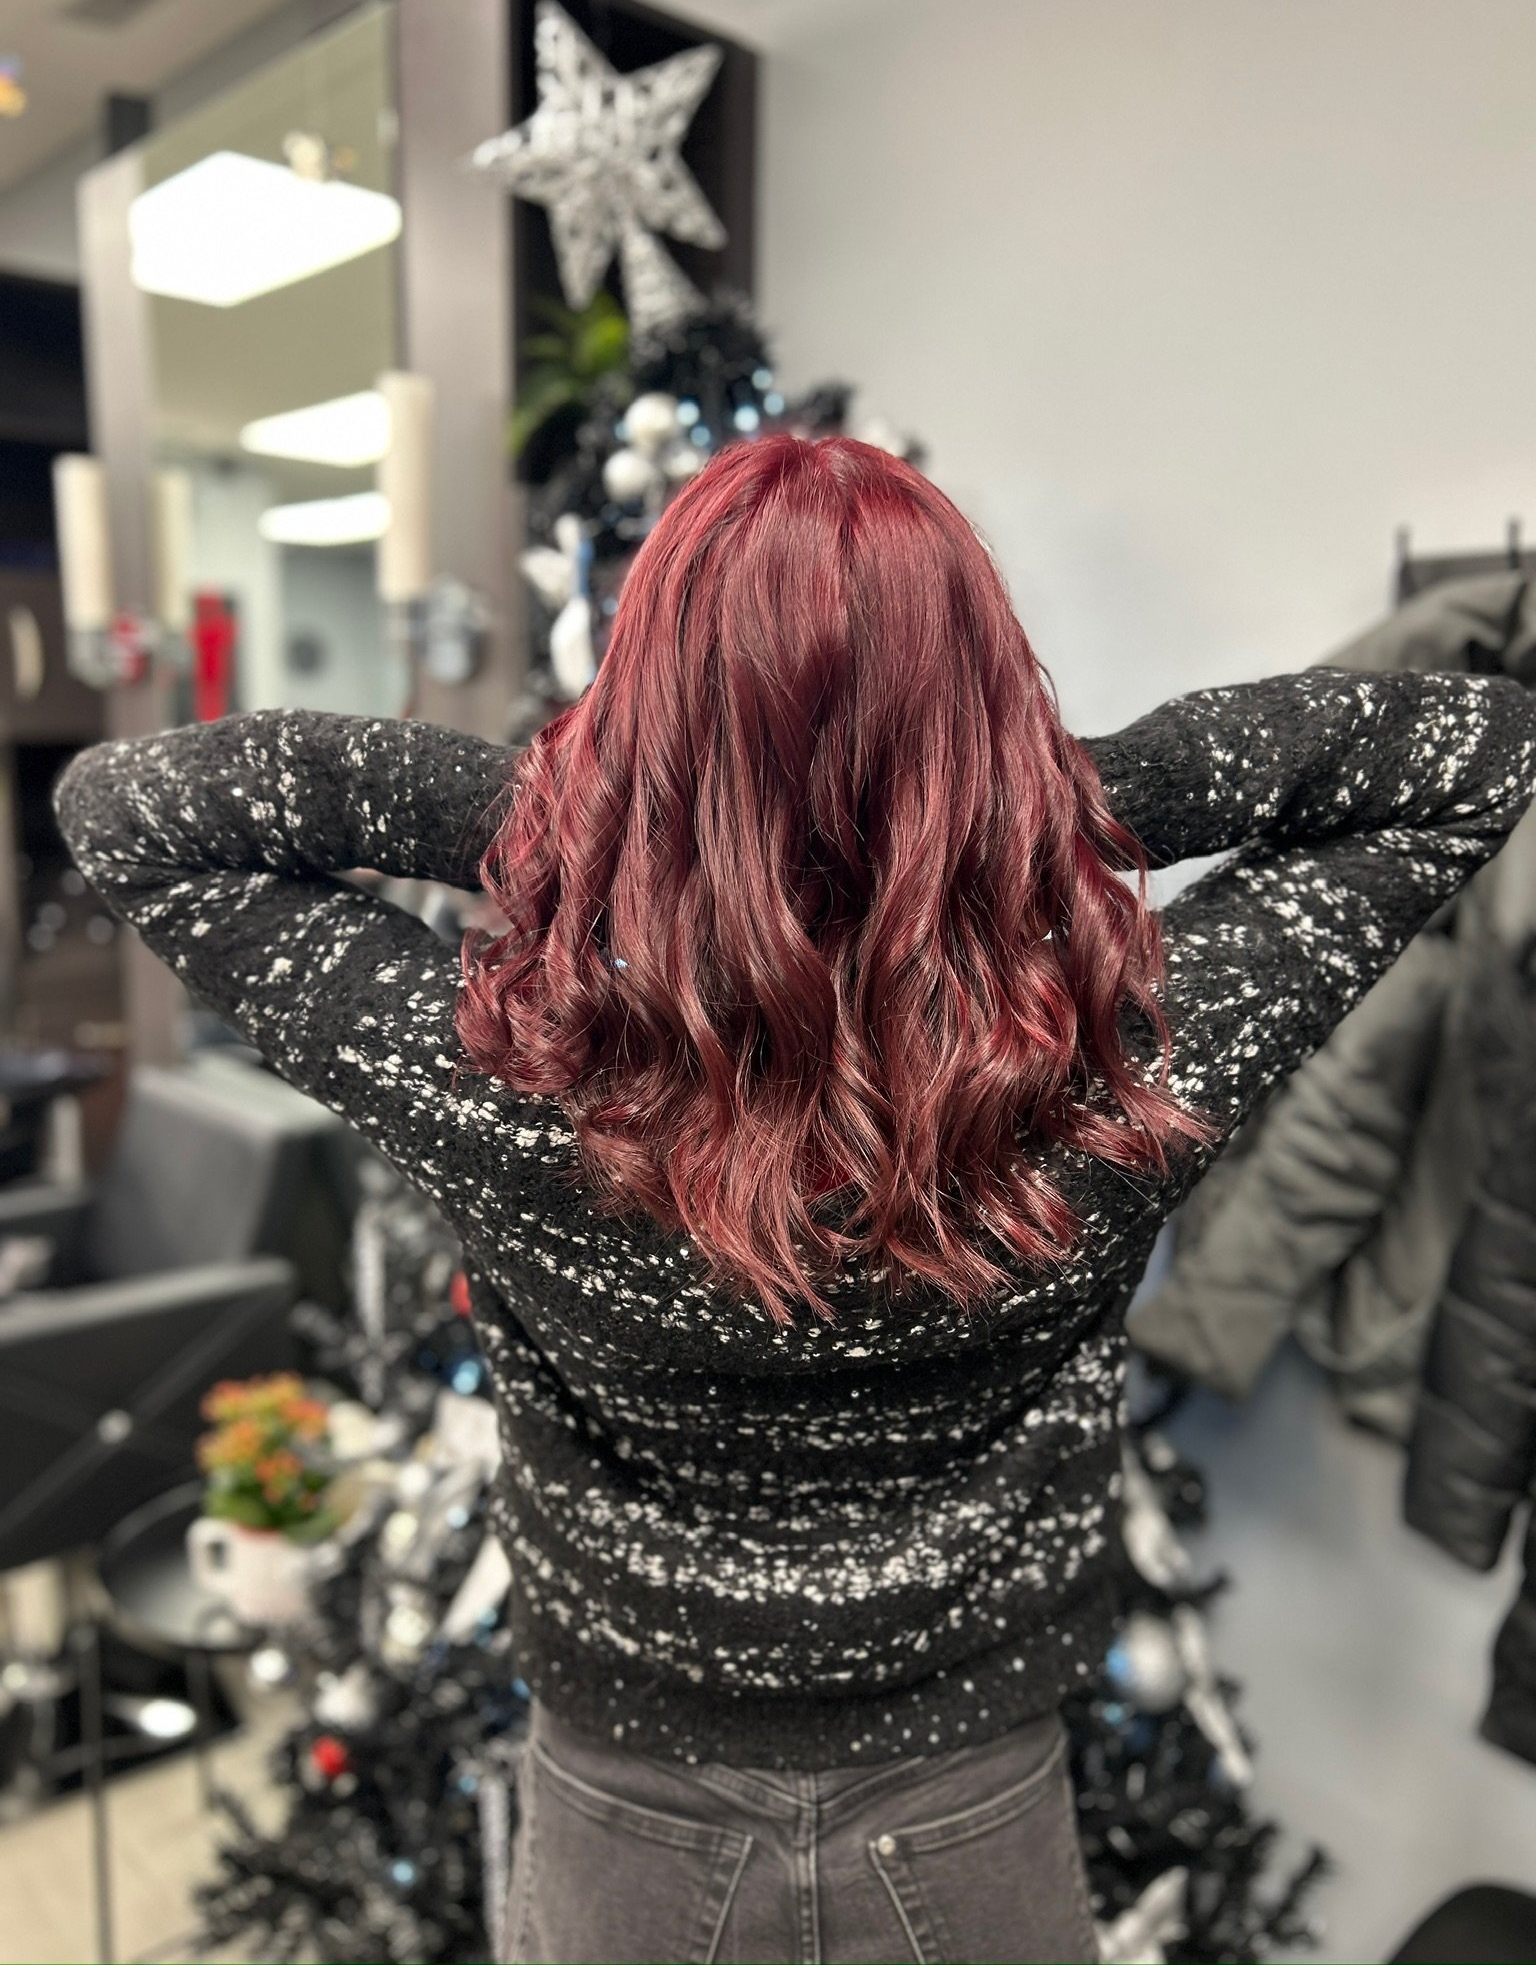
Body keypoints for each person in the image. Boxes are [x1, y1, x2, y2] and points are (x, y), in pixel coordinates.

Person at [56, 435, 1536, 1965]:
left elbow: (140, 811)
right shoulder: (1118, 1078)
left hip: (628, 1799)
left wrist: (619, 811)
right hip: (966, 1799)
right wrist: (1023, 802)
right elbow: (1472, 758)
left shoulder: (512, 1087)